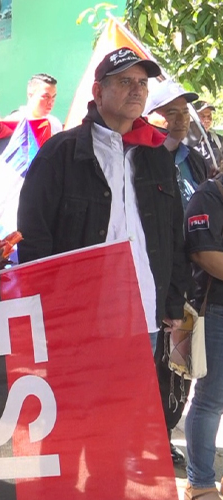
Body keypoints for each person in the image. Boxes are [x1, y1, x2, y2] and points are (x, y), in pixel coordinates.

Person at [17, 47, 190, 494]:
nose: (136, 91)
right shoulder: (62, 152)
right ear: (98, 91)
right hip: (78, 320)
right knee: (70, 425)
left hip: (143, 319)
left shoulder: (156, 155)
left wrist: (172, 302)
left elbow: (173, 233)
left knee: (122, 431)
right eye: (125, 82)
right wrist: (48, 306)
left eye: (142, 84)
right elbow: (33, 235)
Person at [145, 78, 206, 466]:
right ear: (152, 117)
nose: (180, 120)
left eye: (184, 112)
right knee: (152, 363)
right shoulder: (143, 157)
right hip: (157, 277)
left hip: (194, 278)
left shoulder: (195, 158)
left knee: (180, 365)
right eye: (171, 112)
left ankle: (164, 432)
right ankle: (147, 437)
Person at [183, 174, 223, 500]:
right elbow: (204, 255)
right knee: (210, 400)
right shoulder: (208, 197)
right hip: (217, 312)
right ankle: (201, 483)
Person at [194, 101, 223, 176]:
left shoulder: (218, 140)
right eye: (202, 116)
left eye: (209, 116)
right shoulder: (186, 141)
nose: (207, 120)